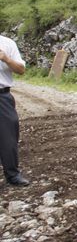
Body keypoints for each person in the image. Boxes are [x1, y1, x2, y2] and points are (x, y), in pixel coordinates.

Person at [0, 34, 29, 187]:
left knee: (9, 136)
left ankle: (12, 175)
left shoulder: (7, 43)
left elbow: (21, 70)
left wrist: (6, 59)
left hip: (2, 96)